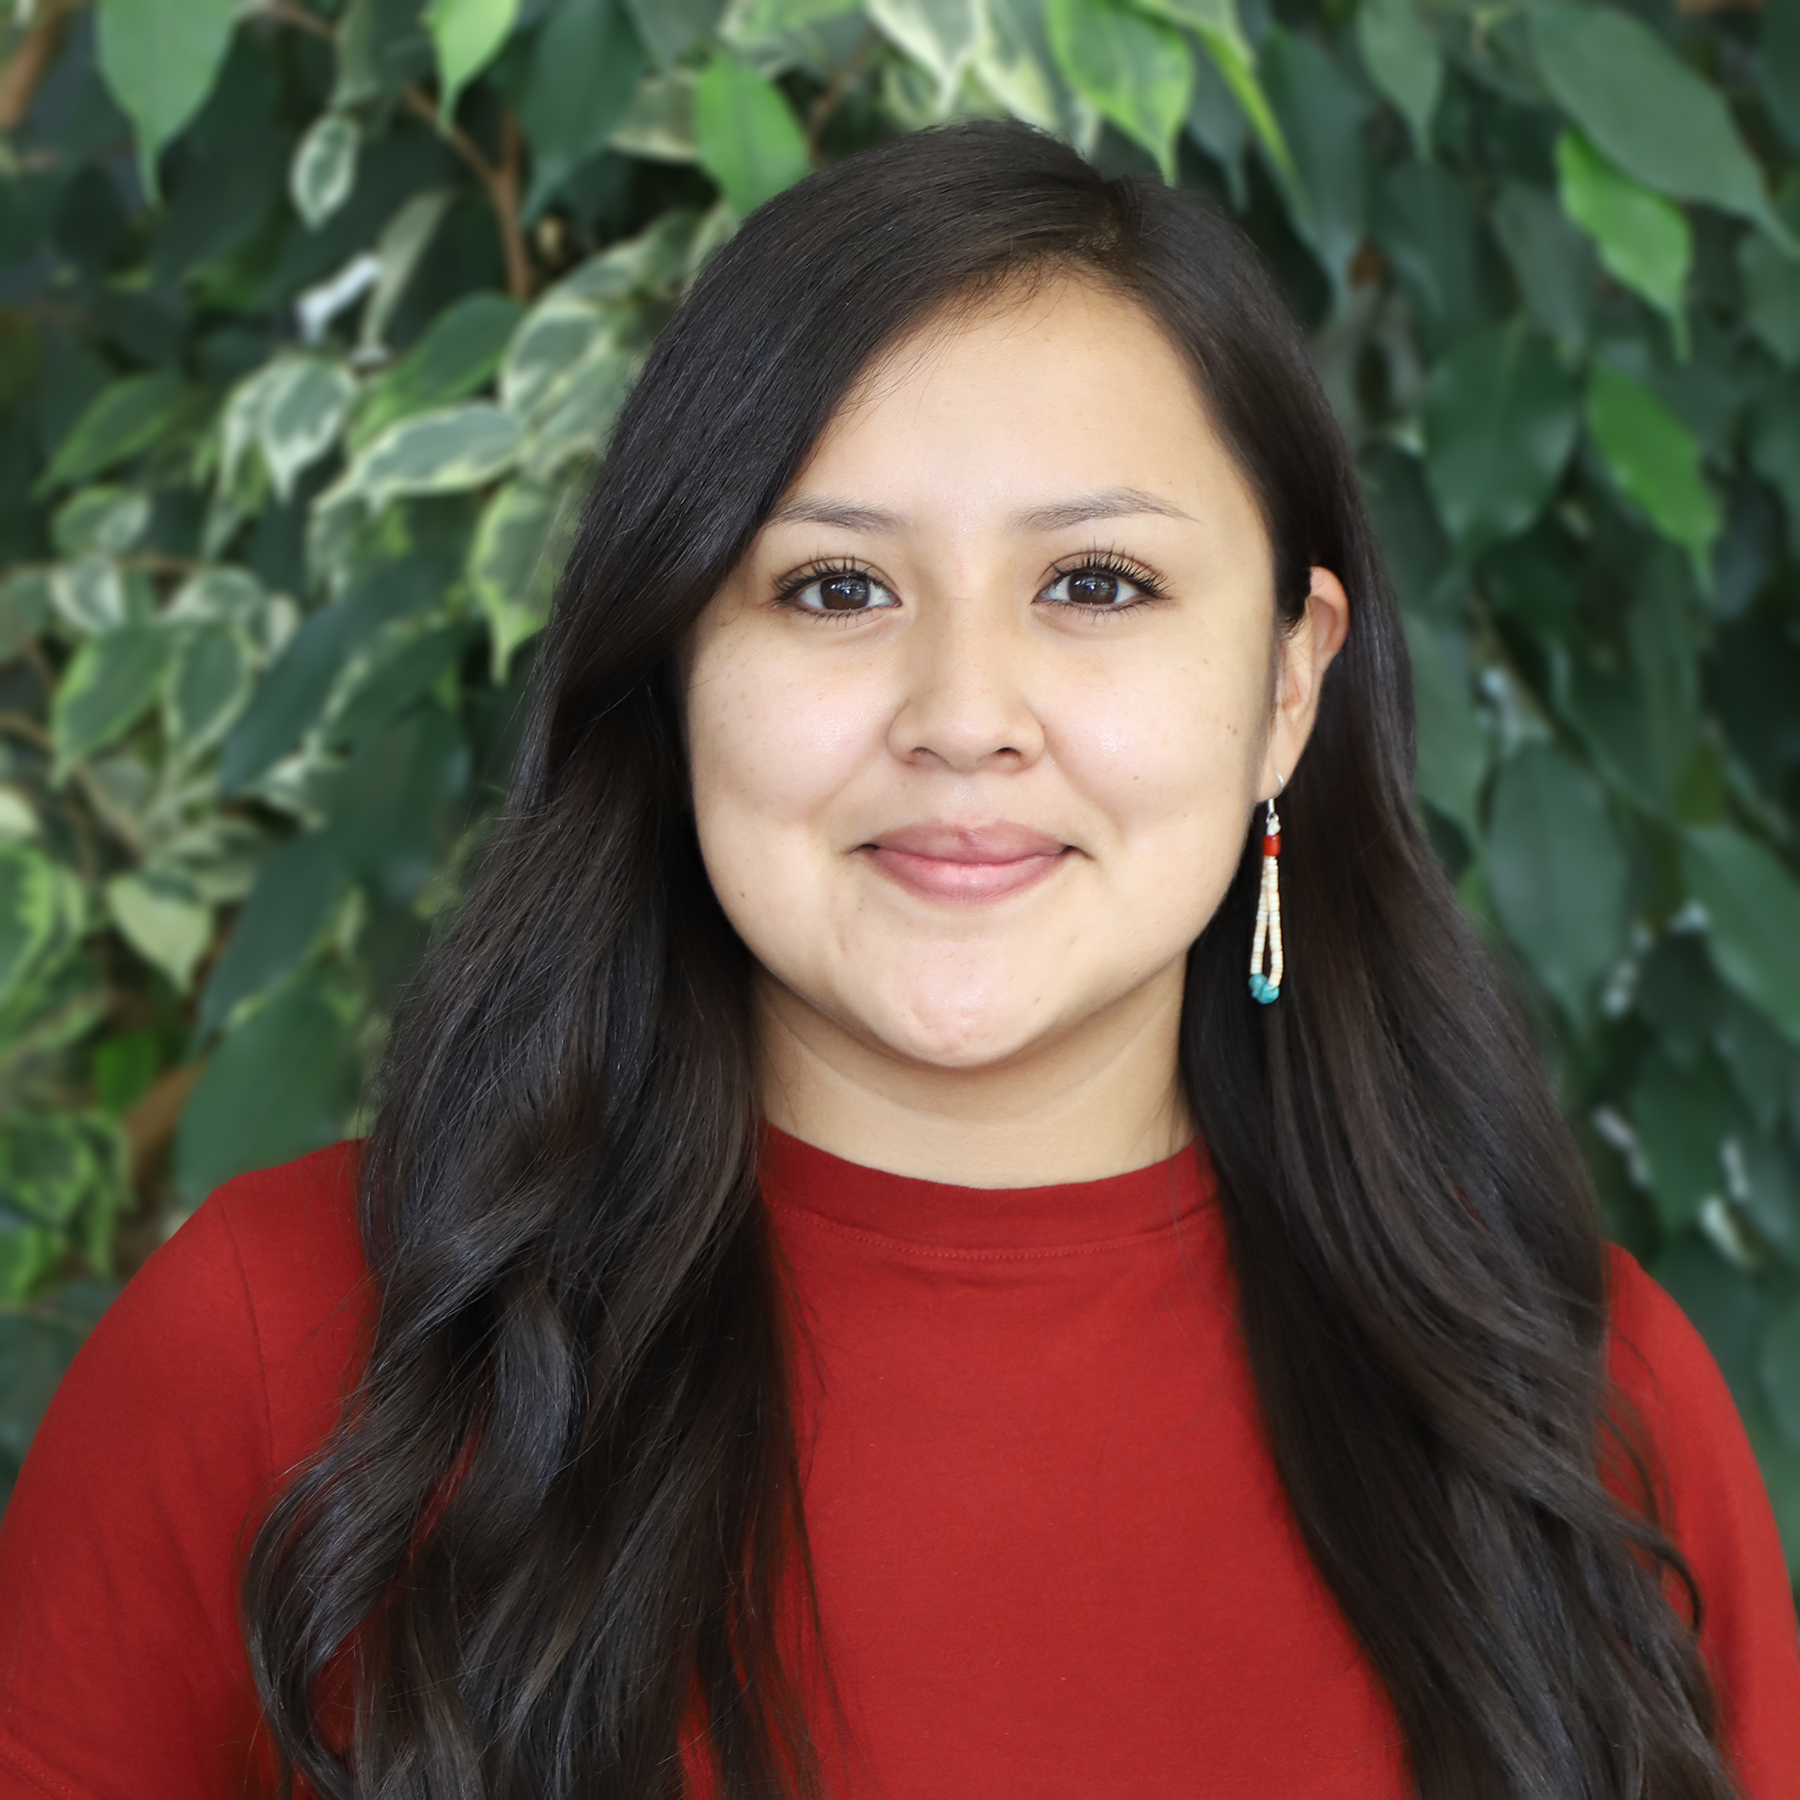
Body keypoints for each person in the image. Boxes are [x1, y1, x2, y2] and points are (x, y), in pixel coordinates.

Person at [2, 120, 1796, 1800]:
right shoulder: (284, 1352)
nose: (962, 718)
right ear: (675, 664)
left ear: (1286, 685)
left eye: (1095, 583)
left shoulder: (1584, 1411)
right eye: (834, 589)